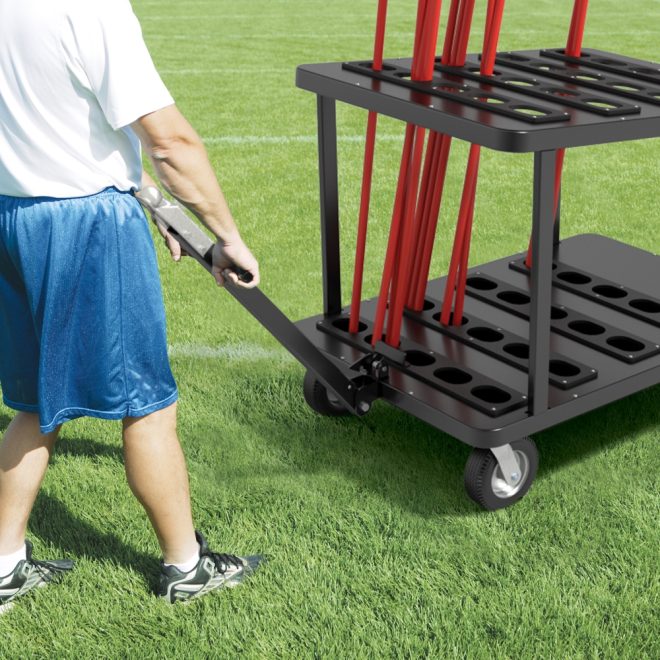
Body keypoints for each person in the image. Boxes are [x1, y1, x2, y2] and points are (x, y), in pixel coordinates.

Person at [0, 0, 263, 609]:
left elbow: (61, 117)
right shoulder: (92, 9)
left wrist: (147, 196)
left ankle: (5, 566)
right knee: (145, 403)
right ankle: (185, 565)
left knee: (39, 401)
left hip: (15, 215)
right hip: (84, 223)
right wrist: (225, 236)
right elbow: (171, 140)